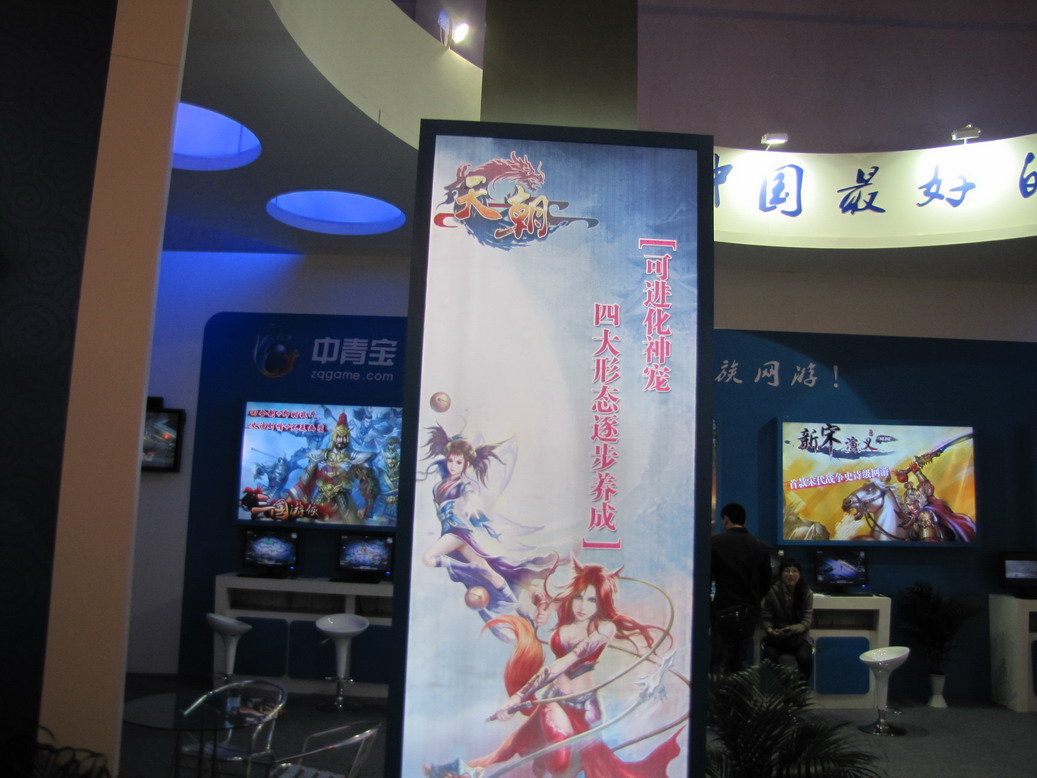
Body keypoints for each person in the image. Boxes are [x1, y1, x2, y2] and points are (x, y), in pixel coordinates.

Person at [469, 561, 683, 777]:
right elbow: (537, 595)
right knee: (559, 763)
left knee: (584, 767)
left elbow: (566, 662)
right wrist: (542, 608)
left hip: (587, 707)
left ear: (601, 601)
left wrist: (519, 696)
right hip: (555, 699)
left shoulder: (605, 628)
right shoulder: (567, 609)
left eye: (592, 600)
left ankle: (546, 760)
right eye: (579, 597)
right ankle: (544, 760)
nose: (582, 606)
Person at [710, 502, 772, 674]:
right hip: (748, 613)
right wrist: (753, 601)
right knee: (740, 661)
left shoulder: (716, 543)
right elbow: (767, 580)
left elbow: (706, 577)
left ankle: (719, 690)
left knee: (720, 660)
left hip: (722, 611)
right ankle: (739, 691)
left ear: (726, 519)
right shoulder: (758, 545)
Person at [761, 558, 814, 680]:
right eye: (787, 571)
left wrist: (791, 629)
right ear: (781, 574)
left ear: (799, 574)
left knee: (804, 658)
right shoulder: (772, 592)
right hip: (777, 637)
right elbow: (766, 617)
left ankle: (801, 688)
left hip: (799, 637)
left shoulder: (807, 593)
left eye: (794, 571)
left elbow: (806, 621)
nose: (790, 574)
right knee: (769, 658)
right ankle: (778, 687)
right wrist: (770, 630)